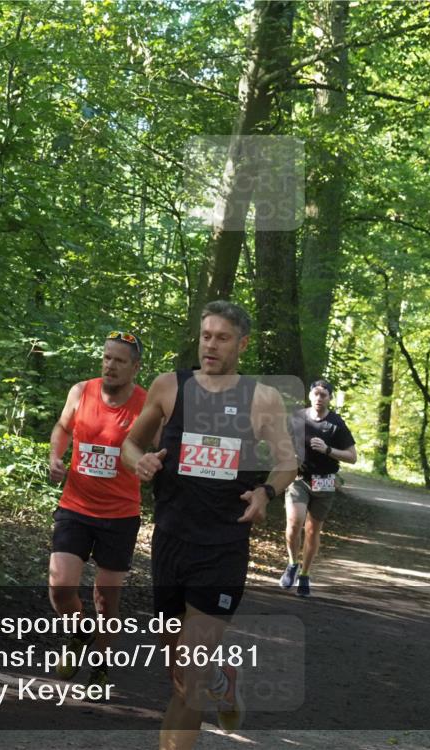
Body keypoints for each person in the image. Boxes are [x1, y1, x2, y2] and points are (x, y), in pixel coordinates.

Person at [121, 300, 297, 749]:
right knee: (180, 667)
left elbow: (285, 463)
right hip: (171, 543)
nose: (211, 345)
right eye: (206, 336)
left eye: (221, 337)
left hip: (222, 547)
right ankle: (223, 678)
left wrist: (266, 493)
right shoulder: (169, 387)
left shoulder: (262, 398)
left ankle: (209, 679)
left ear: (242, 343)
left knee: (189, 678)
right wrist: (140, 463)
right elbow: (131, 443)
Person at [47, 331, 147, 688]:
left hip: (120, 513)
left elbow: (161, 447)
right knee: (60, 586)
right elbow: (62, 427)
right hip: (75, 505)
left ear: (135, 367)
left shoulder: (146, 404)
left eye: (120, 360)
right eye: (107, 357)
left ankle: (101, 665)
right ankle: (79, 632)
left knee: (106, 600)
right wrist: (55, 458)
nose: (110, 365)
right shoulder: (81, 391)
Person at [279, 380, 357, 598]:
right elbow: (280, 443)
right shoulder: (296, 418)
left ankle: (305, 574)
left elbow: (352, 457)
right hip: (300, 479)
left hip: (324, 482)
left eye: (324, 395)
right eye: (316, 394)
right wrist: (290, 456)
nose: (319, 398)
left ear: (329, 398)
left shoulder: (336, 424)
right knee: (294, 523)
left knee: (313, 530)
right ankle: (292, 563)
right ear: (310, 396)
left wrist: (328, 449)